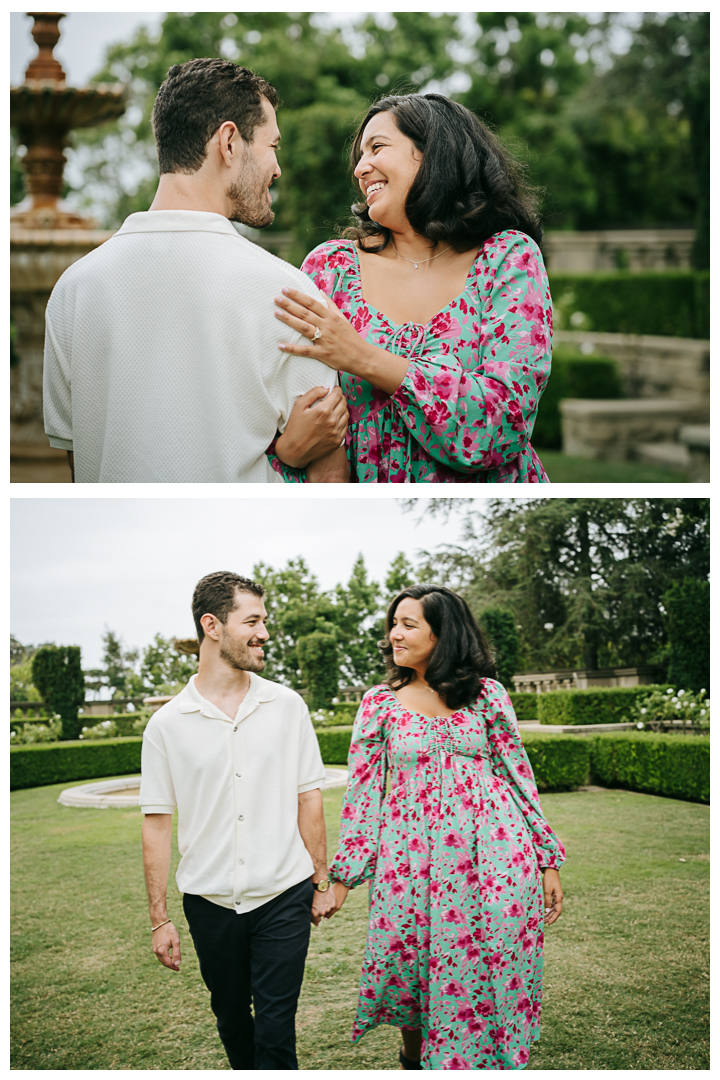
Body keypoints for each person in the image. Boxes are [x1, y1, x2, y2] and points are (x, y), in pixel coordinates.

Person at [43, 59, 348, 483]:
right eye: (272, 147)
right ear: (228, 142)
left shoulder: (73, 289)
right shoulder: (287, 294)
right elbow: (329, 473)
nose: (277, 168)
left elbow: (79, 463)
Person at [323, 585, 564, 1069]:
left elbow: (518, 778)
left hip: (495, 859)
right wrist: (342, 880)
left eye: (408, 624)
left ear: (443, 633)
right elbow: (363, 796)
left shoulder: (487, 695)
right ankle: (415, 1064)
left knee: (493, 961)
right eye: (393, 623)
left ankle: (494, 1060)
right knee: (410, 963)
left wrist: (547, 861)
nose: (394, 633)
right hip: (409, 863)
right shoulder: (379, 704)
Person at [273, 93, 552, 483]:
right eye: (359, 156)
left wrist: (362, 357)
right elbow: (281, 411)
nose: (360, 169)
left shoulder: (507, 259)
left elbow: (500, 425)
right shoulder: (330, 270)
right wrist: (288, 448)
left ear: (434, 152)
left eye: (378, 147)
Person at [139, 571, 339, 1069]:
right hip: (208, 902)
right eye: (252, 621)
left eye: (264, 621)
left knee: (275, 1027)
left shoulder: (286, 706)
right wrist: (159, 917)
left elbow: (309, 799)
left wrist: (320, 880)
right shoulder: (166, 725)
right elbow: (157, 824)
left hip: (283, 894)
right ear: (212, 625)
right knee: (230, 1016)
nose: (264, 633)